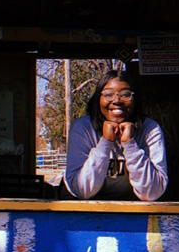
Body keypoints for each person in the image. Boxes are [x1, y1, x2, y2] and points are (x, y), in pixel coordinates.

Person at [63, 70, 168, 201]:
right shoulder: (83, 128)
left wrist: (130, 145)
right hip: (87, 210)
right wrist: (105, 143)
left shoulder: (150, 130)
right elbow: (82, 190)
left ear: (135, 99)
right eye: (108, 94)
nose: (117, 100)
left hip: (132, 210)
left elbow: (152, 192)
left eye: (125, 94)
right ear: (98, 99)